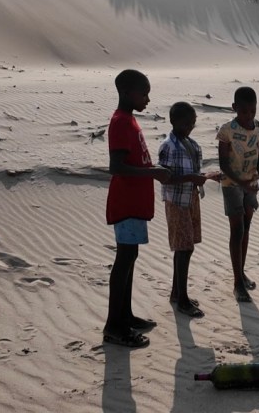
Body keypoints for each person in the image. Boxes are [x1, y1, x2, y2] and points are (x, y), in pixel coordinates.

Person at [104, 69, 172, 348]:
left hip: (134, 203)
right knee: (124, 259)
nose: (147, 98)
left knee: (130, 258)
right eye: (143, 93)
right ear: (126, 92)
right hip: (125, 202)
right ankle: (114, 326)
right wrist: (153, 172)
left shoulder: (129, 120)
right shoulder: (120, 122)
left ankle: (126, 315)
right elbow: (116, 166)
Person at [158, 102, 221, 318]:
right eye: (187, 123)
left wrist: (207, 176)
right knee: (183, 247)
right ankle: (182, 299)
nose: (190, 127)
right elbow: (165, 177)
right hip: (176, 201)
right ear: (174, 122)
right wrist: (191, 178)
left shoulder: (191, 143)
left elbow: (195, 173)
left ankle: (177, 293)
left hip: (191, 198)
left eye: (193, 123)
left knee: (187, 246)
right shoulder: (168, 146)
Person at [216, 86, 259, 303]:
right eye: (244, 111)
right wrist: (241, 184)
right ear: (234, 108)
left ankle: (242, 272)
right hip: (232, 184)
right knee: (236, 230)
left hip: (251, 183)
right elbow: (223, 164)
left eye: (252, 111)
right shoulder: (226, 131)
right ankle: (237, 283)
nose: (249, 116)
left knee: (246, 228)